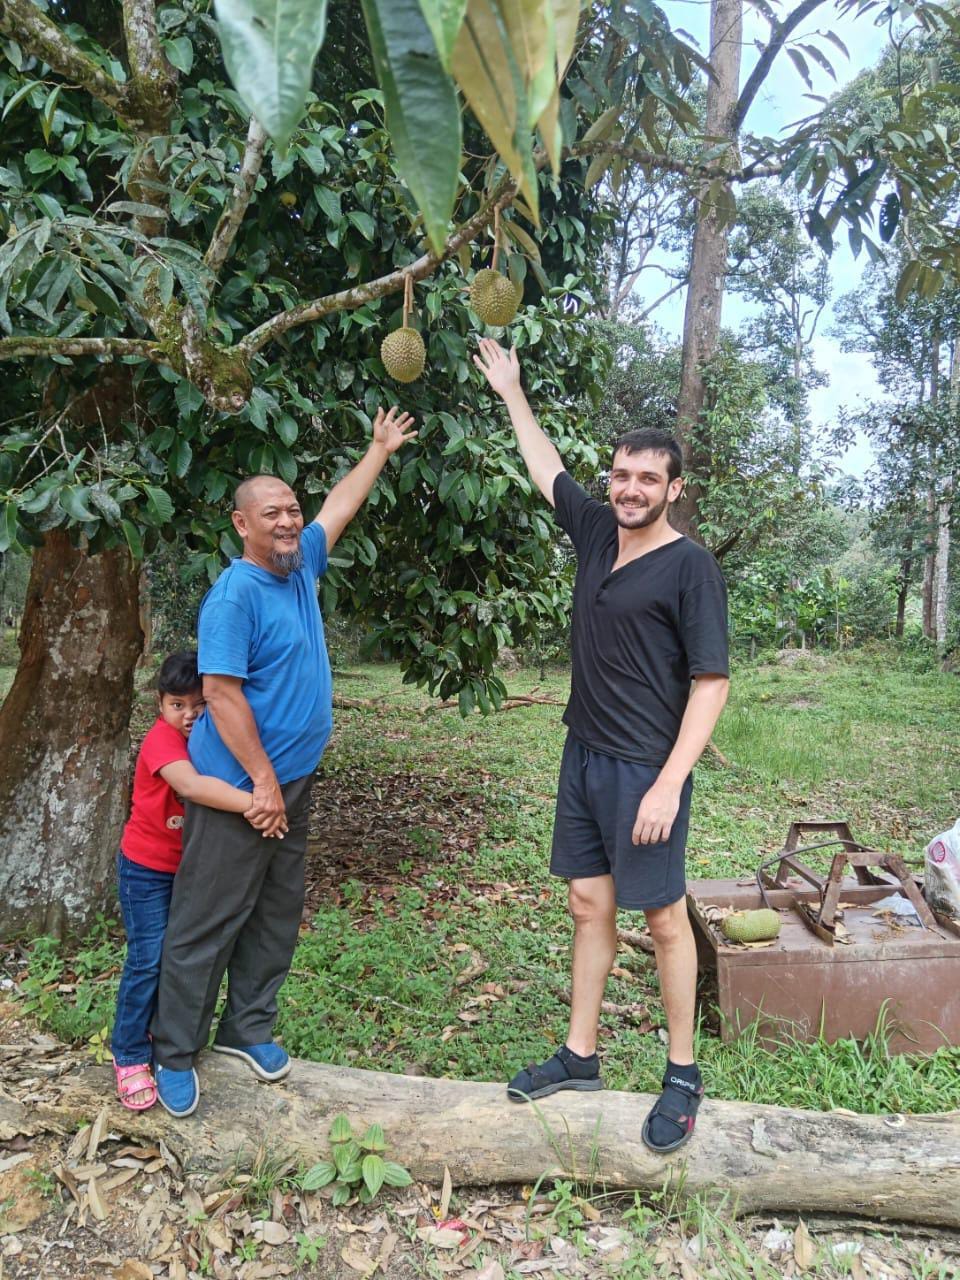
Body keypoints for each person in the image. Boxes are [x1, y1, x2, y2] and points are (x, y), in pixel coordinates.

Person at [474, 339, 729, 1154]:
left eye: (647, 478)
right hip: (582, 755)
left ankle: (682, 1072)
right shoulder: (594, 532)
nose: (629, 488)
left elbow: (712, 682)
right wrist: (512, 390)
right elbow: (543, 464)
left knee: (660, 920)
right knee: (588, 905)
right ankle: (580, 1056)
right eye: (621, 474)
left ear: (673, 490)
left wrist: (669, 783)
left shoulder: (690, 569)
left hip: (646, 771)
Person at [150, 405, 416, 1118]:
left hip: (292, 782)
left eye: (291, 509)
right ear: (242, 524)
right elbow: (221, 695)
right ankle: (173, 1051)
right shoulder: (235, 595)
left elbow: (341, 504)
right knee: (208, 919)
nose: (288, 521)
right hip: (241, 786)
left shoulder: (300, 568)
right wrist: (262, 782)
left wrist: (380, 448)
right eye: (272, 513)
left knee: (275, 911)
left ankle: (247, 1029)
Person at [111, 651, 280, 1111]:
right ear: (160, 705)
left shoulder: (212, 736)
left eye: (199, 706)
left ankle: (159, 1031)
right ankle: (127, 1052)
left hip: (185, 870)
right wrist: (257, 802)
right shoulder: (161, 742)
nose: (189, 716)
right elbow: (190, 786)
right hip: (145, 870)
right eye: (177, 705)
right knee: (147, 959)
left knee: (176, 953)